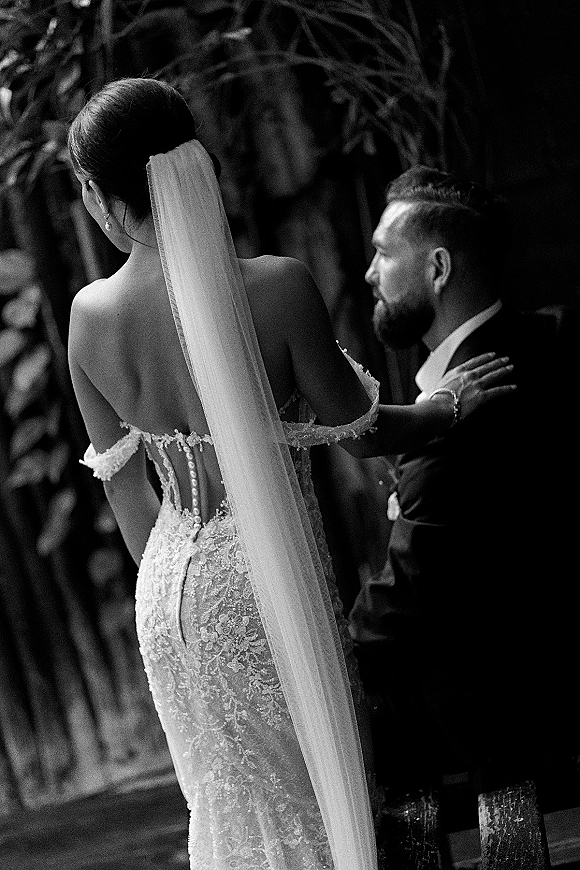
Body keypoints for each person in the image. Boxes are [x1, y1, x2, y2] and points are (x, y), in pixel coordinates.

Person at [67, 79, 513, 870]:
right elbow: (362, 432)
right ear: (191, 164)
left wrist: (180, 603)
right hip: (261, 579)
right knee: (311, 793)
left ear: (102, 196)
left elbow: (125, 489)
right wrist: (446, 408)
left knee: (227, 806)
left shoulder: (88, 316)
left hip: (167, 595)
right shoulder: (275, 288)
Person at [350, 165, 579, 796]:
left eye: (382, 253)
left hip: (511, 726)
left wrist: (319, 668)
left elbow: (406, 596)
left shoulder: (471, 412)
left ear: (437, 269)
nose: (369, 274)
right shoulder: (550, 339)